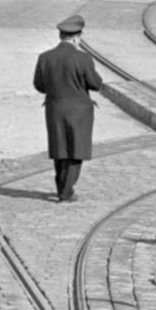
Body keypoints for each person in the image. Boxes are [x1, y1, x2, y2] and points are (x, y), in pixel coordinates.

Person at [32, 14, 103, 203]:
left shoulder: (45, 57)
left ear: (61, 36)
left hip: (54, 108)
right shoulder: (83, 58)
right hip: (79, 110)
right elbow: (96, 84)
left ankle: (62, 188)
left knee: (60, 149)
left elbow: (38, 85)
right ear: (75, 37)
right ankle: (66, 191)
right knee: (75, 150)